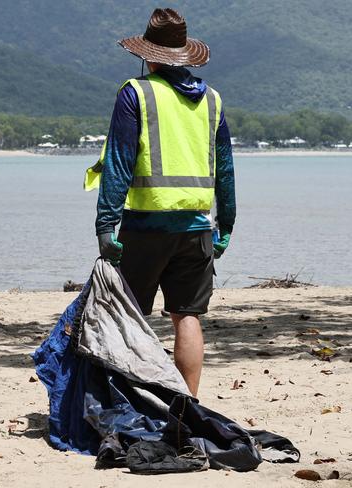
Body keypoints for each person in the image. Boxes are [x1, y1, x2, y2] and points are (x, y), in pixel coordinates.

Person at [85, 8, 236, 397]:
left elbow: (119, 163)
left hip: (145, 227)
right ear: (184, 55)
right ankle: (187, 405)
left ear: (148, 54)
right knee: (187, 316)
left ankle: (135, 397)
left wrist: (105, 226)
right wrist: (227, 224)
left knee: (129, 316)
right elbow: (225, 170)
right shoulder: (213, 101)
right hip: (198, 228)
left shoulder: (136, 93)